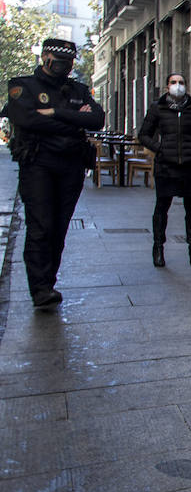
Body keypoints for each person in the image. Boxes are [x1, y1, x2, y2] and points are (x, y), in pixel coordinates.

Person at [1, 38, 105, 309]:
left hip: (71, 164)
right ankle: (40, 288)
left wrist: (55, 113)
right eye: (58, 62)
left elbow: (96, 120)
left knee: (59, 227)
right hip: (38, 164)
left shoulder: (77, 90)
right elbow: (26, 119)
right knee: (40, 225)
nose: (64, 68)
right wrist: (72, 119)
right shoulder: (23, 86)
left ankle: (49, 280)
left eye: (69, 63)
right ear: (45, 58)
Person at [139, 72, 191, 267]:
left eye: (181, 82)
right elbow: (144, 135)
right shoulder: (158, 108)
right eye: (173, 82)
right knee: (161, 209)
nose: (177, 86)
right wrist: (159, 148)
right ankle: (158, 248)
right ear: (166, 87)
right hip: (166, 167)